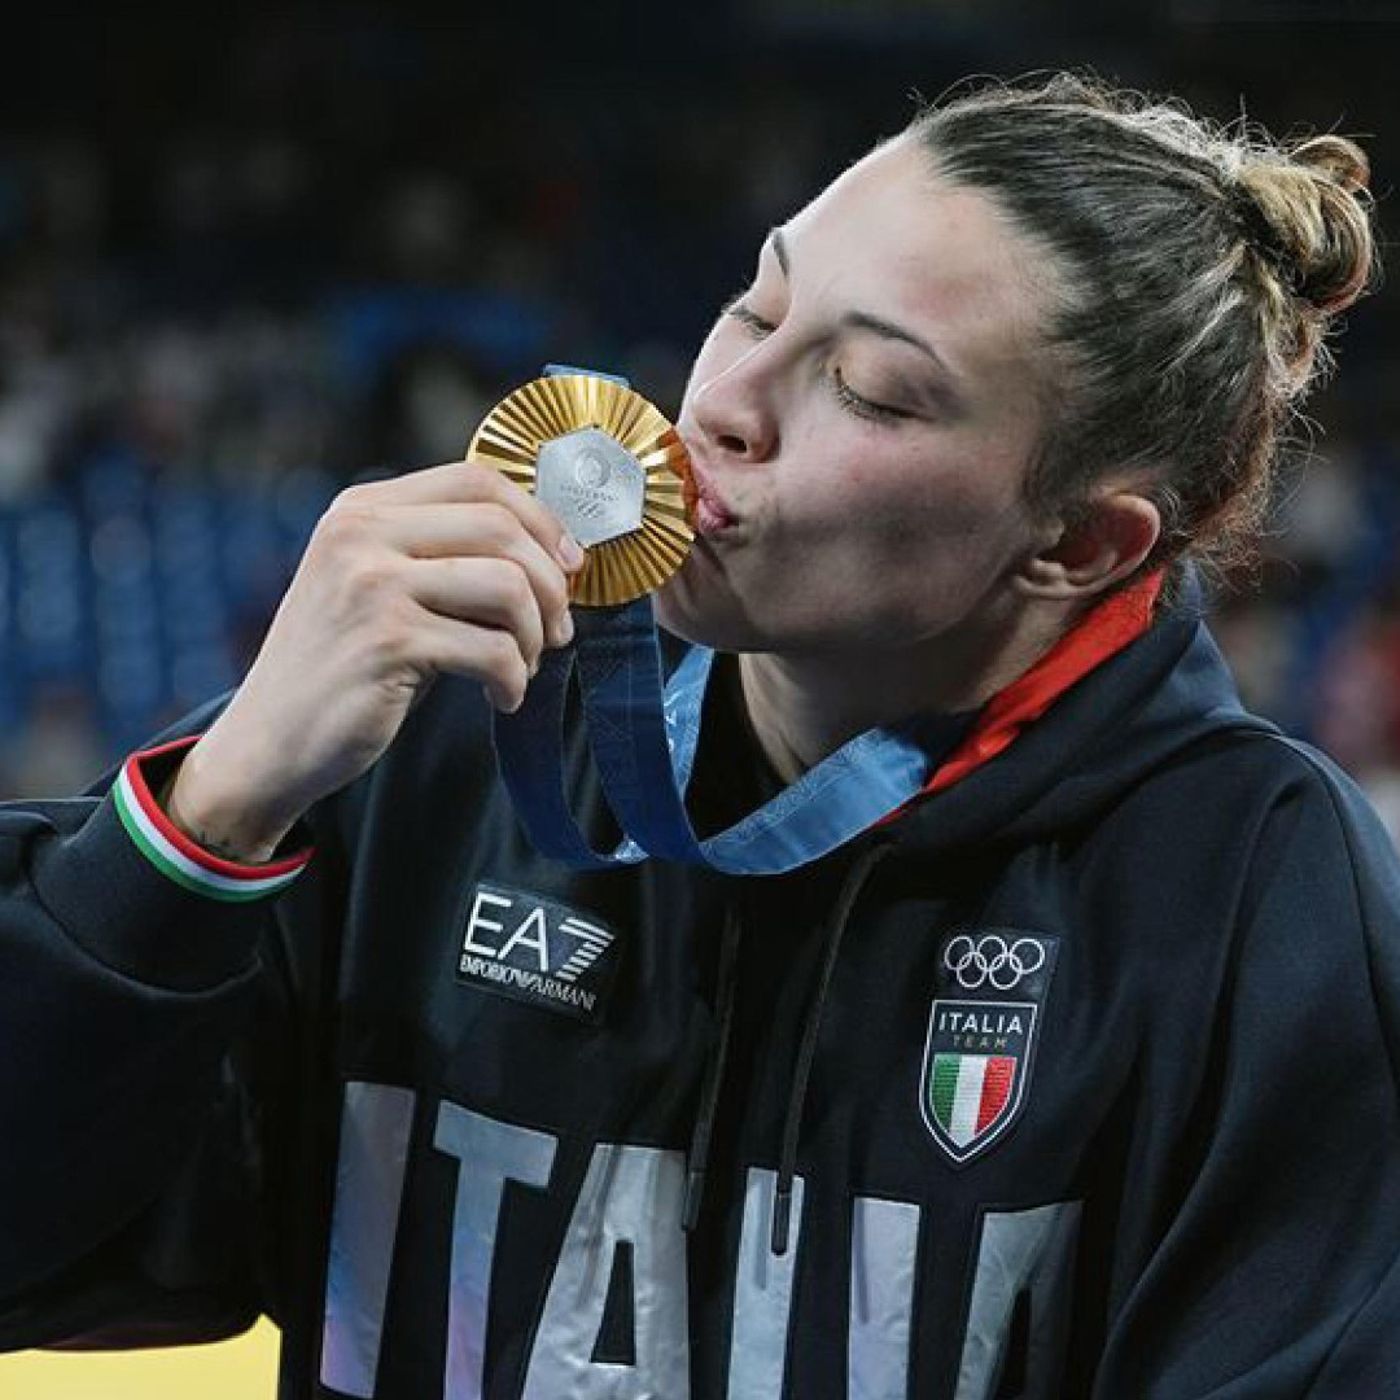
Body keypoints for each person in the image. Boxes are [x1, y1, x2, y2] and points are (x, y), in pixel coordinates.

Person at [1, 71, 1396, 1399]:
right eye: (757, 303)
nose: (721, 404)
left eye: (869, 388)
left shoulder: (1256, 907)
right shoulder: (438, 730)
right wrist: (207, 820)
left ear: (1081, 543)